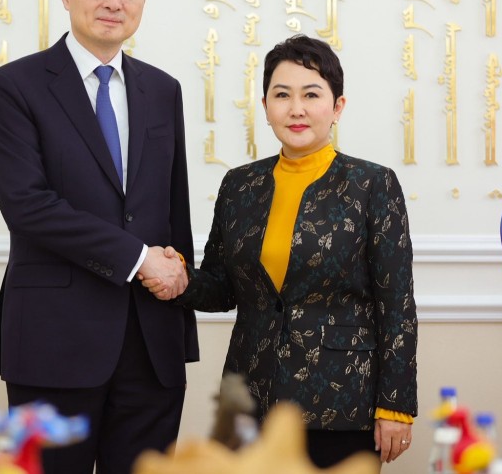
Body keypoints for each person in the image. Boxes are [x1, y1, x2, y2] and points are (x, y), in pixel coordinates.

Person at [145, 34, 418, 469]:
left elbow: (397, 305)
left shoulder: (372, 185)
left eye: (311, 94)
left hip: (342, 403)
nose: (296, 109)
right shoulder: (240, 185)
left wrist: (395, 405)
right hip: (250, 402)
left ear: (337, 106)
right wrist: (178, 274)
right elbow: (221, 289)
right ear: (265, 105)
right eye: (282, 95)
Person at [0, 0, 197, 474]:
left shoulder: (162, 90)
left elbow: (173, 209)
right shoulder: (14, 86)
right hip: (53, 340)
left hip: (151, 339)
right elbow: (28, 206)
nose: (113, 1)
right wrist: (140, 259)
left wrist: (179, 287)